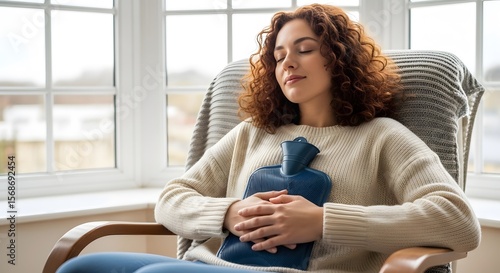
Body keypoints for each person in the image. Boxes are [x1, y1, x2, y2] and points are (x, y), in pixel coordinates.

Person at [56, 4, 481, 273]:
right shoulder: (253, 133)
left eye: (305, 49)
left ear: (340, 58)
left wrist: (322, 221)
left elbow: (459, 222)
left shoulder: (383, 137)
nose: (287, 63)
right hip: (214, 262)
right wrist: (229, 213)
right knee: (84, 266)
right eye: (278, 56)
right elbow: (172, 198)